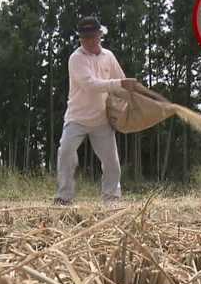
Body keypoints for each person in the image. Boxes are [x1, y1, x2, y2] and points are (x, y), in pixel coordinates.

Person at [54, 16, 142, 206]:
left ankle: (111, 199)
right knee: (66, 152)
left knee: (112, 162)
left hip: (102, 119)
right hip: (77, 117)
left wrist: (134, 97)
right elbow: (91, 85)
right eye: (85, 38)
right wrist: (120, 83)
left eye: (92, 36)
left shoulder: (108, 56)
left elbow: (121, 81)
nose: (89, 41)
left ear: (100, 35)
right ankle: (64, 197)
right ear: (80, 38)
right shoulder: (76, 58)